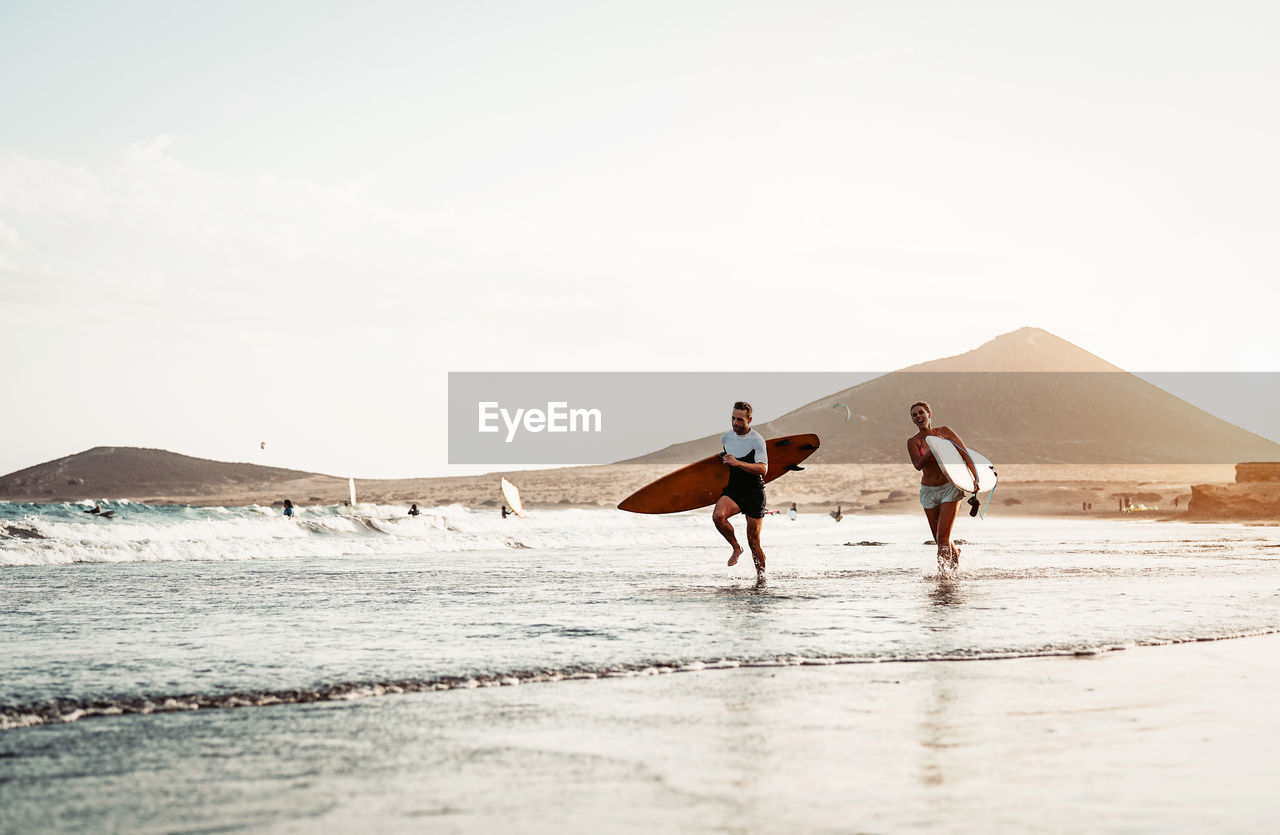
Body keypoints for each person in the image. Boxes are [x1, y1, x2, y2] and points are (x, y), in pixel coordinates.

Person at [907, 401, 977, 571]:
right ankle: (955, 556)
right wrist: (933, 447)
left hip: (949, 488)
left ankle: (943, 577)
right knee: (940, 539)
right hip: (928, 492)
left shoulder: (944, 432)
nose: (918, 416)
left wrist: (975, 478)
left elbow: (965, 454)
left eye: (921, 413)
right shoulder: (913, 441)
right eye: (914, 415)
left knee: (943, 538)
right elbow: (918, 465)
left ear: (929, 414)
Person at [711, 401, 769, 582]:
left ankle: (761, 578)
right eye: (733, 418)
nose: (735, 423)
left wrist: (738, 463)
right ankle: (736, 547)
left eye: (740, 420)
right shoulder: (726, 438)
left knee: (754, 541)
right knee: (718, 517)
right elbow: (727, 460)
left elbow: (763, 469)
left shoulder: (756, 440)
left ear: (749, 419)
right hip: (734, 491)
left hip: (754, 493)